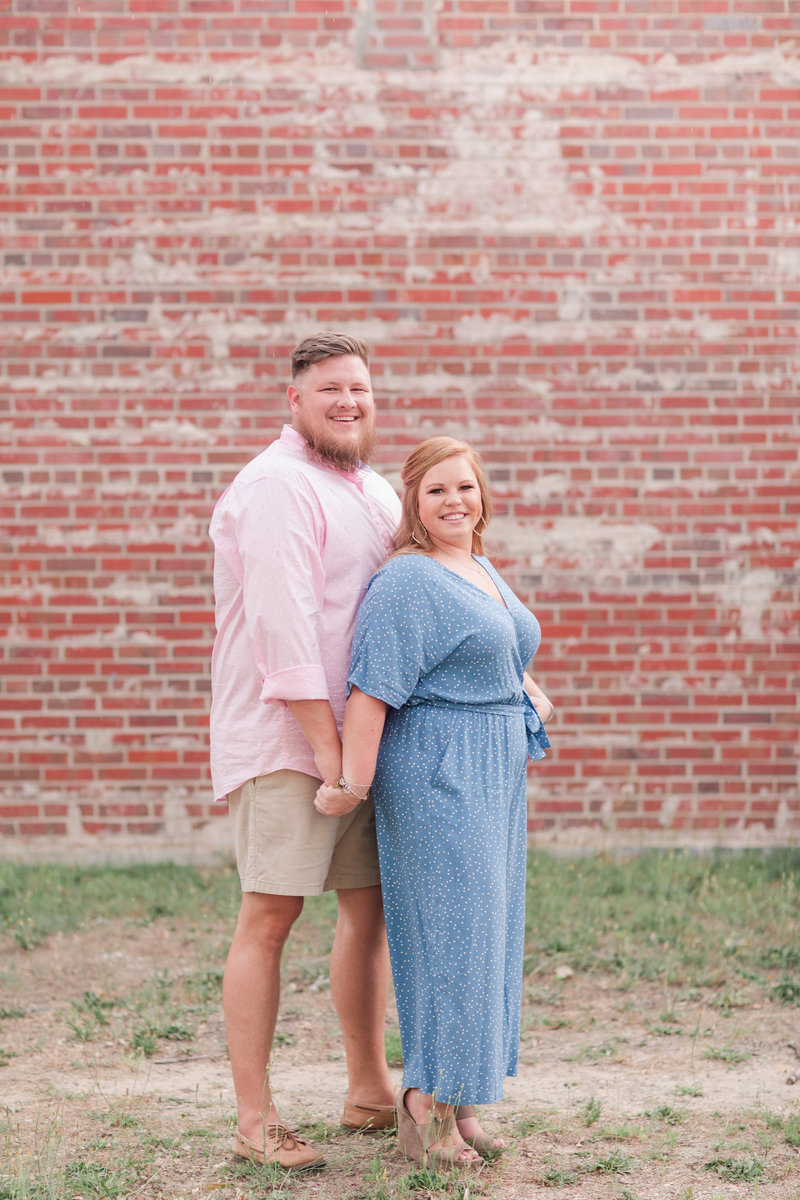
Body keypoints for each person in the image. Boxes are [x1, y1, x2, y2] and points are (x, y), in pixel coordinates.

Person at [315, 436, 553, 1170]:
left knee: (485, 938)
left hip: (494, 774)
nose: (455, 502)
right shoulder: (408, 581)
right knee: (446, 940)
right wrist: (351, 784)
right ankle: (423, 1104)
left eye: (466, 488)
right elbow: (373, 690)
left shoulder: (477, 565)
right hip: (438, 774)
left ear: (483, 495)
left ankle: (464, 1100)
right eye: (437, 491)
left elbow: (501, 652)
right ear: (413, 504)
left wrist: (528, 691)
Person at [208, 332, 401, 1171]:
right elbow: (282, 633)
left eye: (358, 389)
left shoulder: (373, 489)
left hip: (357, 745)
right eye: (329, 390)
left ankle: (368, 1090)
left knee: (370, 909)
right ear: (295, 401)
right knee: (271, 914)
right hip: (290, 741)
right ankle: (256, 1120)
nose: (348, 402)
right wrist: (331, 757)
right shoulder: (278, 486)